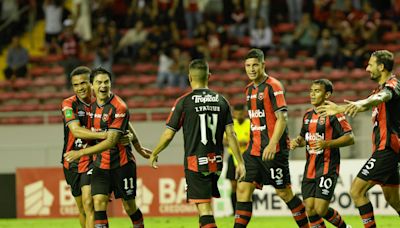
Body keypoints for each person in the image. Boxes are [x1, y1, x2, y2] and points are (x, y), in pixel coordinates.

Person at [149, 59, 246, 228]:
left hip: (195, 162)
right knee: (204, 207)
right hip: (216, 162)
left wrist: (155, 152)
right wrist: (241, 162)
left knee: (205, 208)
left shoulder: (184, 102)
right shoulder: (221, 100)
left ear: (189, 78)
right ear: (209, 76)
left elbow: (168, 134)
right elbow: (231, 134)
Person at [316, 50, 400, 227]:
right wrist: (340, 109)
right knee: (393, 199)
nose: (367, 68)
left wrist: (361, 103)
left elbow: (380, 98)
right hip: (386, 150)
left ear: (381, 66)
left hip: (388, 149)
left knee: (356, 191)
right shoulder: (377, 89)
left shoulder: (392, 85)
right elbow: (365, 104)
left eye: (370, 64)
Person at [64, 67, 152, 228]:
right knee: (94, 203)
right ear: (94, 85)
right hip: (92, 162)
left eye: (106, 82)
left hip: (120, 163)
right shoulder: (76, 104)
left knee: (128, 205)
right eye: (99, 82)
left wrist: (135, 144)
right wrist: (110, 134)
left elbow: (123, 124)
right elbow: (76, 131)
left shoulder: (117, 105)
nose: (102, 86)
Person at [234, 49, 309, 228]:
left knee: (284, 193)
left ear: (263, 65)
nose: (251, 69)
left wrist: (272, 143)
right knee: (243, 189)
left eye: (255, 65)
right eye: (248, 66)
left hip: (273, 150)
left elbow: (282, 119)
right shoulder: (248, 90)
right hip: (253, 151)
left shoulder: (273, 86)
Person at [290, 79, 355, 228]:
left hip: (327, 166)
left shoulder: (334, 114)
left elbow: (350, 138)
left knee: (320, 208)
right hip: (310, 168)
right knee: (310, 209)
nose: (312, 94)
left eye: (317, 91)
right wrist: (297, 142)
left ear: (327, 95)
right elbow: (303, 138)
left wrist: (327, 144)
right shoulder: (307, 115)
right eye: (311, 91)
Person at [61, 66, 107, 228]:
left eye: (84, 83)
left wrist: (127, 136)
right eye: (76, 85)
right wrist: (105, 136)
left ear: (92, 83)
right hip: (72, 160)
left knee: (89, 203)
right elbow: (76, 130)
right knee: (82, 208)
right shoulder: (68, 104)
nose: (80, 88)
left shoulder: (102, 102)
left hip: (93, 158)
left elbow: (121, 120)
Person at [224, 104, 250, 214]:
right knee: (233, 186)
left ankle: (244, 211)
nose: (239, 115)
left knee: (246, 186)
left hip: (247, 157)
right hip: (232, 157)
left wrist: (245, 143)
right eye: (237, 113)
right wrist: (234, 143)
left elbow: (255, 140)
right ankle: (234, 212)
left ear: (244, 113)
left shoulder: (250, 124)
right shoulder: (230, 124)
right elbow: (224, 141)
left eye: (241, 113)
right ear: (233, 113)